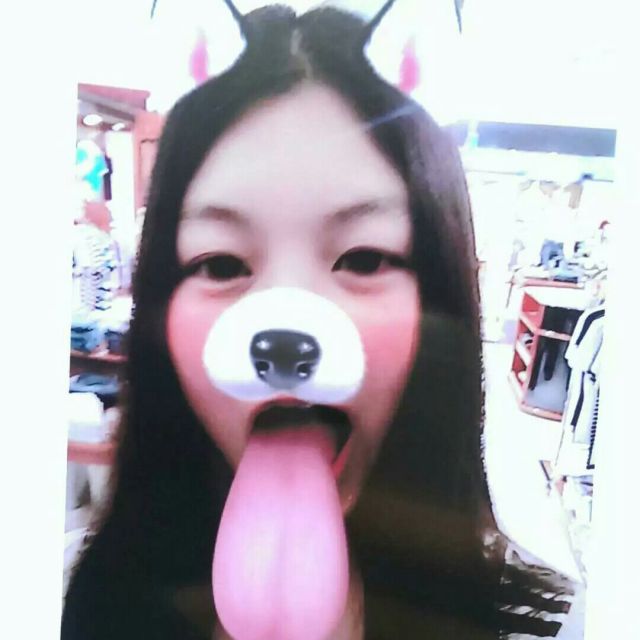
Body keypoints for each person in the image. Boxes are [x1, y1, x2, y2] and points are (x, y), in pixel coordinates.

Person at [61, 3, 575, 639]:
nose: (287, 317)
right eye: (221, 264)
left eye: (364, 259)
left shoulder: (545, 627)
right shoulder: (76, 598)